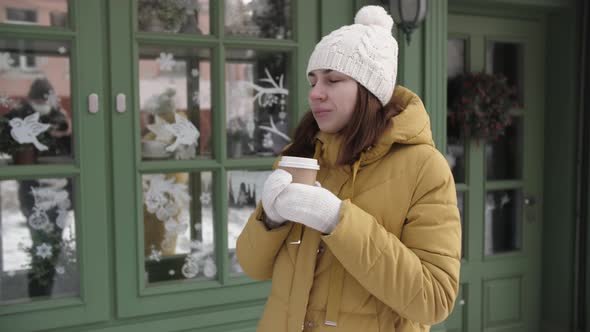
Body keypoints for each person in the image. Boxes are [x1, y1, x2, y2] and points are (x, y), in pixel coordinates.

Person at [236, 5, 461, 332]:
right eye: (313, 80)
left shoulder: (425, 169)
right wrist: (270, 219)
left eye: (333, 79)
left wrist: (337, 220)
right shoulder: (300, 154)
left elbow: (435, 299)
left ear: (370, 90)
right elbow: (252, 265)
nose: (315, 93)